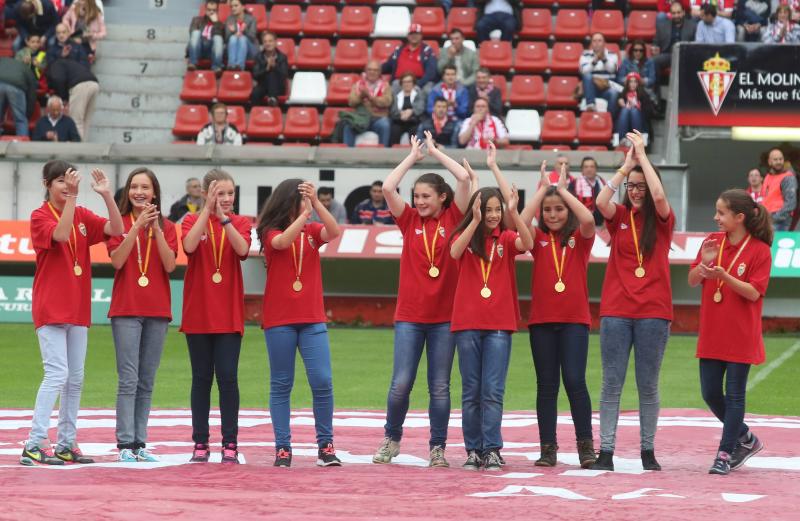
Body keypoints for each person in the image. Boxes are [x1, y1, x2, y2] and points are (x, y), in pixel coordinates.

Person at [373, 132, 470, 468]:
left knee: (440, 387)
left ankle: (437, 448)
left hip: (445, 318)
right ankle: (391, 439)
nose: (419, 201)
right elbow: (388, 188)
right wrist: (412, 158)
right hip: (410, 317)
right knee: (401, 383)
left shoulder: (455, 218)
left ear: (443, 198)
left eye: (426, 196)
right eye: (416, 196)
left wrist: (438, 153)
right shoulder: (409, 220)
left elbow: (464, 178)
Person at [21, 160, 123, 466]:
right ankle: (34, 442)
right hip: (51, 306)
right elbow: (62, 235)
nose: (67, 187)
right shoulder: (40, 215)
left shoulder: (81, 214)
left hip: (77, 307)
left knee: (75, 378)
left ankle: (66, 443)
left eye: (70, 182)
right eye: (60, 182)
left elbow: (117, 229)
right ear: (47, 185)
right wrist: (75, 198)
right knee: (57, 374)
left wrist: (106, 195)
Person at [592, 130, 675, 472]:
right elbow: (599, 203)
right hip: (616, 310)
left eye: (640, 186)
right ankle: (606, 452)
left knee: (647, 385)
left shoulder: (663, 221)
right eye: (632, 187)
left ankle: (647, 450)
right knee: (611, 383)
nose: (636, 191)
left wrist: (642, 157)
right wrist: (626, 168)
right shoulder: (620, 218)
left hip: (654, 312)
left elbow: (658, 193)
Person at [449, 168, 533, 471]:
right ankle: (473, 450)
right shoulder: (466, 237)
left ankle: (492, 448)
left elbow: (528, 242)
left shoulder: (506, 238)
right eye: (488, 210)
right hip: (467, 323)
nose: (494, 215)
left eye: (497, 210)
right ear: (477, 210)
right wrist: (472, 222)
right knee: (471, 391)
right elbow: (454, 253)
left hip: (499, 324)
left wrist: (514, 211)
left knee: (493, 390)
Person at [256, 179, 343, 468]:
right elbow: (281, 243)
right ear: (288, 203)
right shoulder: (271, 231)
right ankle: (283, 447)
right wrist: (305, 216)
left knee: (323, 381)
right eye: (300, 201)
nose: (304, 206)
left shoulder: (311, 231)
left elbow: (334, 231)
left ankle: (326, 445)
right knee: (282, 384)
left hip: (312, 317)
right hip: (280, 318)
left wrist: (316, 205)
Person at [521, 145, 598, 470]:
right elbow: (519, 221)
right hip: (541, 322)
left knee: (576, 382)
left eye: (559, 209)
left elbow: (588, 218)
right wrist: (542, 190)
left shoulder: (580, 239)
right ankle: (548, 448)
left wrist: (564, 192)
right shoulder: (536, 239)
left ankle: (585, 447)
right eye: (548, 210)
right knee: (546, 385)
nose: (553, 215)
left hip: (574, 321)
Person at [688, 189, 772, 475]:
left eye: (721, 213)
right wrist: (703, 267)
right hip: (713, 331)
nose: (716, 218)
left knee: (734, 395)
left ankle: (724, 454)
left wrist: (724, 276)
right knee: (710, 393)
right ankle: (746, 438)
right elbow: (691, 280)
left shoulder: (760, 250)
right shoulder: (711, 242)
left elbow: (753, 293)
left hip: (740, 333)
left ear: (739, 217)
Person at [180, 169, 252, 464]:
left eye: (229, 193)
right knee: (200, 379)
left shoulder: (241, 222)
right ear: (207, 194)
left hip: (228, 314)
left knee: (228, 378)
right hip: (198, 313)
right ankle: (200, 442)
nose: (225, 198)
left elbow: (243, 249)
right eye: (219, 193)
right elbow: (188, 246)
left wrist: (223, 219)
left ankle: (230, 442)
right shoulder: (190, 220)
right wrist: (206, 212)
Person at [107, 168, 178, 462]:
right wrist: (135, 229)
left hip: (157, 310)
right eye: (134, 187)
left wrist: (156, 229)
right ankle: (124, 444)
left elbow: (170, 265)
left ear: (154, 193)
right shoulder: (118, 224)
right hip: (126, 309)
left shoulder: (169, 226)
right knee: (128, 379)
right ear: (127, 193)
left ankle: (139, 443)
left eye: (145, 187)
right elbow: (117, 260)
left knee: (146, 380)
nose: (139, 192)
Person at [45, 58, 100, 141]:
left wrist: (63, 98)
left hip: (80, 86)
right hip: (94, 84)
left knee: (75, 120)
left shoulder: (55, 65)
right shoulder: (69, 63)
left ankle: (78, 149)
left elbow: (58, 79)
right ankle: (85, 147)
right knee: (86, 121)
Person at [343, 61, 392, 148]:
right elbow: (351, 102)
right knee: (348, 127)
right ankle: (348, 156)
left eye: (375, 70)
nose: (372, 72)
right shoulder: (358, 85)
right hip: (361, 119)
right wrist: (361, 96)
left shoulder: (385, 85)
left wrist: (371, 98)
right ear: (365, 71)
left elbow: (387, 101)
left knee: (385, 124)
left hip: (378, 118)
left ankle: (384, 154)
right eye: (369, 70)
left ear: (380, 72)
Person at [381, 24, 438, 91]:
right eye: (411, 34)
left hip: (418, 82)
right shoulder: (398, 50)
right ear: (408, 36)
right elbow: (388, 65)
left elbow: (431, 73)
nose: (414, 36)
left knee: (427, 89)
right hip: (400, 81)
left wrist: (418, 84)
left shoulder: (427, 51)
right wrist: (376, 68)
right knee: (394, 86)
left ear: (421, 36)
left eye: (416, 33)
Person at [653, 1, 698, 81]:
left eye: (678, 12)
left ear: (683, 13)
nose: (676, 15)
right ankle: (656, 91)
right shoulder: (662, 26)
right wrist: (655, 48)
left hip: (685, 55)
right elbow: (655, 42)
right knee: (654, 61)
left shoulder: (692, 26)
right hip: (668, 55)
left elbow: (696, 44)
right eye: (673, 13)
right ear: (670, 14)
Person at [579, 33, 619, 115]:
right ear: (591, 43)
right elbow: (583, 71)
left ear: (604, 43)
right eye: (594, 41)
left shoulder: (612, 55)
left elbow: (612, 70)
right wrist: (594, 62)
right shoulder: (585, 55)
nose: (597, 43)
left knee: (614, 93)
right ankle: (591, 106)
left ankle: (609, 119)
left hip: (607, 87)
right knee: (587, 76)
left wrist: (604, 59)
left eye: (600, 41)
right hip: (591, 88)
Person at [0, 57, 38, 138]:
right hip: (16, 87)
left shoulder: (3, 60)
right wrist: (28, 113)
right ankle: (22, 144)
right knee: (20, 119)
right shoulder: (26, 68)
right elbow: (32, 94)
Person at [762, 147, 797, 231]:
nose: (778, 162)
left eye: (780, 159)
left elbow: (790, 204)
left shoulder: (788, 177)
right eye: (775, 159)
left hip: (780, 221)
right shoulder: (768, 176)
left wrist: (774, 218)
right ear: (769, 162)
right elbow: (765, 199)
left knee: (775, 244)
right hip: (767, 219)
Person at [250, 31, 288, 106]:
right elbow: (255, 75)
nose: (268, 44)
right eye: (265, 42)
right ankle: (256, 114)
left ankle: (273, 98)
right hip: (263, 85)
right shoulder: (258, 57)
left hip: (278, 87)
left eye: (270, 41)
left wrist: (275, 66)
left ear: (275, 42)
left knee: (272, 73)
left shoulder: (282, 57)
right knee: (255, 93)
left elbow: (284, 75)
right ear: (263, 44)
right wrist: (266, 69)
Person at [187, 0, 224, 74]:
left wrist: (215, 23)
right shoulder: (197, 20)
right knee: (196, 33)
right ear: (205, 9)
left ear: (217, 11)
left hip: (211, 50)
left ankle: (216, 67)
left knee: (218, 38)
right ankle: (193, 63)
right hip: (199, 48)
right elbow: (192, 34)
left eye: (214, 10)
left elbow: (221, 39)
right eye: (209, 10)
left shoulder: (220, 24)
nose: (211, 12)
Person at [569, 156, 607, 227]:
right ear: (582, 169)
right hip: (580, 225)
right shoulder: (574, 184)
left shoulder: (602, 182)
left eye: (592, 167)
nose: (589, 169)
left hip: (599, 225)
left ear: (596, 169)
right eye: (586, 167)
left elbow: (606, 203)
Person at [390, 72, 426, 146]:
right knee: (394, 130)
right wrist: (401, 113)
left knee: (415, 130)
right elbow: (393, 109)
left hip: (413, 121)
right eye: (404, 82)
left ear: (413, 83)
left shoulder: (418, 93)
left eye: (409, 81)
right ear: (401, 83)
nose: (407, 84)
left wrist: (411, 111)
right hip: (399, 120)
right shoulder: (396, 95)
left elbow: (421, 107)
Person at [616, 72, 655, 138]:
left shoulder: (643, 94)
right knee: (625, 110)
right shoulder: (622, 94)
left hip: (641, 123)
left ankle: (637, 138)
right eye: (631, 82)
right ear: (628, 83)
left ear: (638, 83)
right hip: (626, 124)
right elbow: (616, 114)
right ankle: (622, 139)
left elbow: (650, 113)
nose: (633, 84)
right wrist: (619, 103)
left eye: (635, 82)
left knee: (634, 111)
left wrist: (637, 105)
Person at [224, 0, 258, 71]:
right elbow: (226, 39)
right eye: (231, 6)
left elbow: (252, 37)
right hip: (233, 50)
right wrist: (233, 32)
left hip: (250, 50)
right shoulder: (229, 19)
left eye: (236, 6)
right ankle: (231, 66)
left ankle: (239, 67)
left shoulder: (251, 19)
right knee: (233, 38)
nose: (233, 8)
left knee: (242, 38)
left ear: (243, 7)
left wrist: (244, 30)